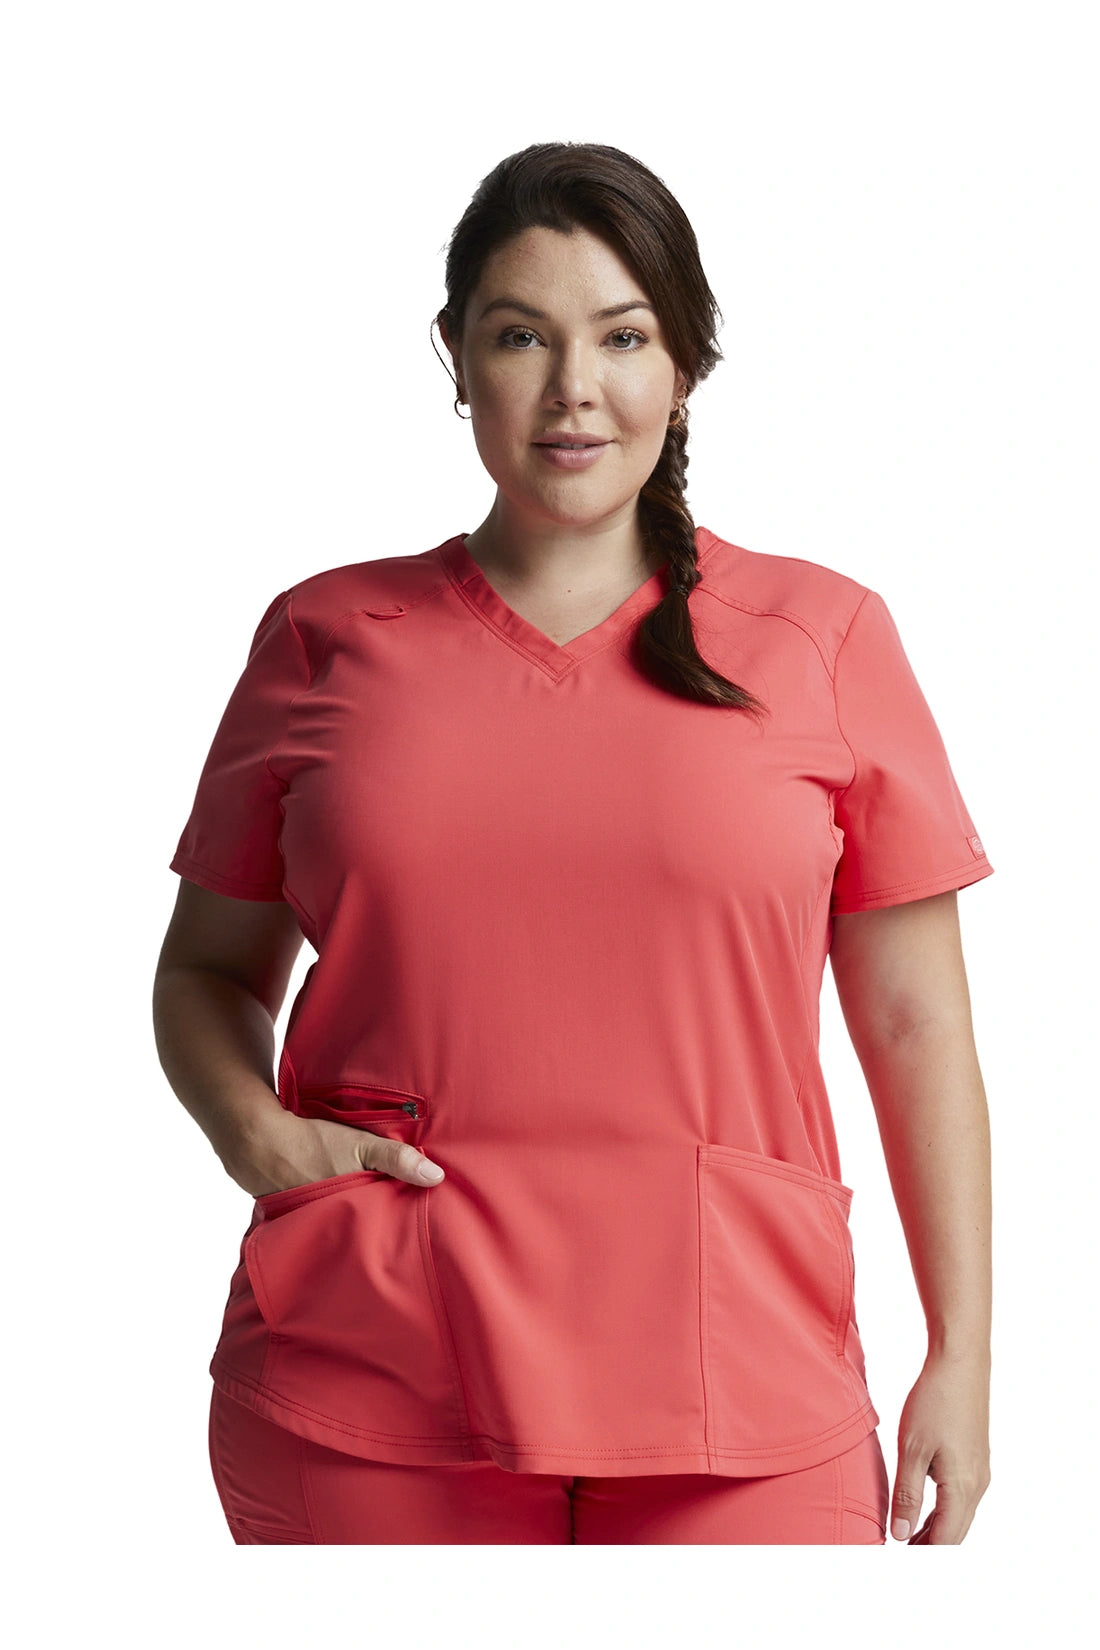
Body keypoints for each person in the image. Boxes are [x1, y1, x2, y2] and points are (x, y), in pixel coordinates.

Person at [153, 141, 995, 1546]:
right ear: (455, 356)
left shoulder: (824, 638)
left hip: (741, 1375)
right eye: (519, 336)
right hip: (377, 1364)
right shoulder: (325, 636)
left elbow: (916, 1026)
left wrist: (961, 1354)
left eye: (623, 337)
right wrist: (262, 1141)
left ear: (686, 365)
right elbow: (205, 970)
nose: (571, 390)